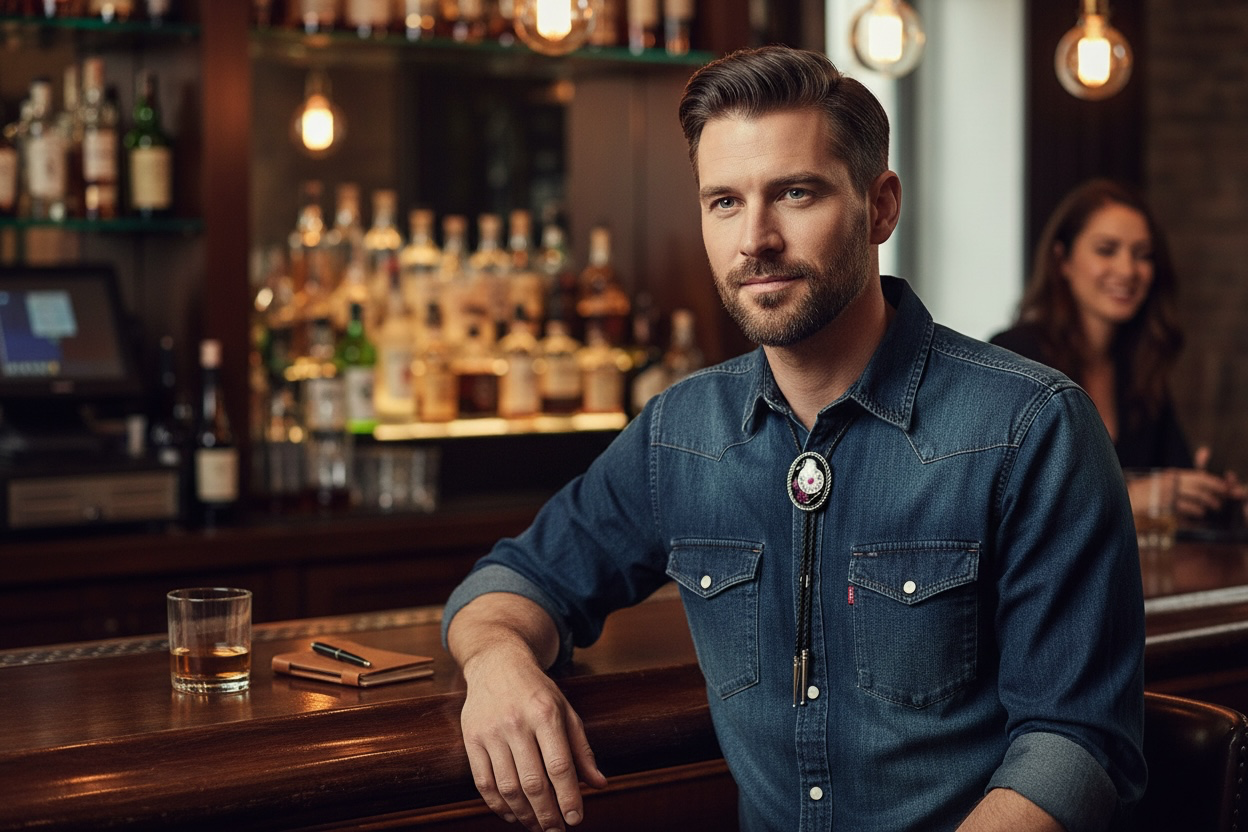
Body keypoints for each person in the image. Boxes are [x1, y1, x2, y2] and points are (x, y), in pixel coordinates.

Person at [443, 46, 1145, 832]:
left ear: (881, 207)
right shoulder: (681, 434)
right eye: (724, 202)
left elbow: (1077, 744)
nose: (756, 239)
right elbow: (517, 579)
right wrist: (497, 661)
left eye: (796, 193)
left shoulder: (1030, 426)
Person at [990, 178, 1243, 522]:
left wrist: (1211, 494)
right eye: (1106, 250)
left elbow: (1174, 482)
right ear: (1062, 261)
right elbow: (1003, 502)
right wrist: (1134, 495)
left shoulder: (1139, 366)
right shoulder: (1014, 357)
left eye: (1143, 255)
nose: (1127, 270)